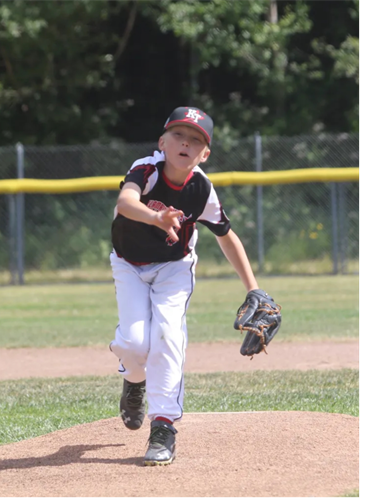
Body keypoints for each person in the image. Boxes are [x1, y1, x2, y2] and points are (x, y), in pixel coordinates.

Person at [108, 106, 262, 466]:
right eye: (178, 135)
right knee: (132, 344)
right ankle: (134, 382)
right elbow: (126, 202)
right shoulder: (145, 169)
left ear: (204, 154)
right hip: (129, 265)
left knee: (167, 335)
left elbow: (226, 236)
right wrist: (156, 217)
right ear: (162, 142)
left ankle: (163, 427)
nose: (185, 143)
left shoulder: (202, 189)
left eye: (196, 140)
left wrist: (253, 288)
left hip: (174, 270)